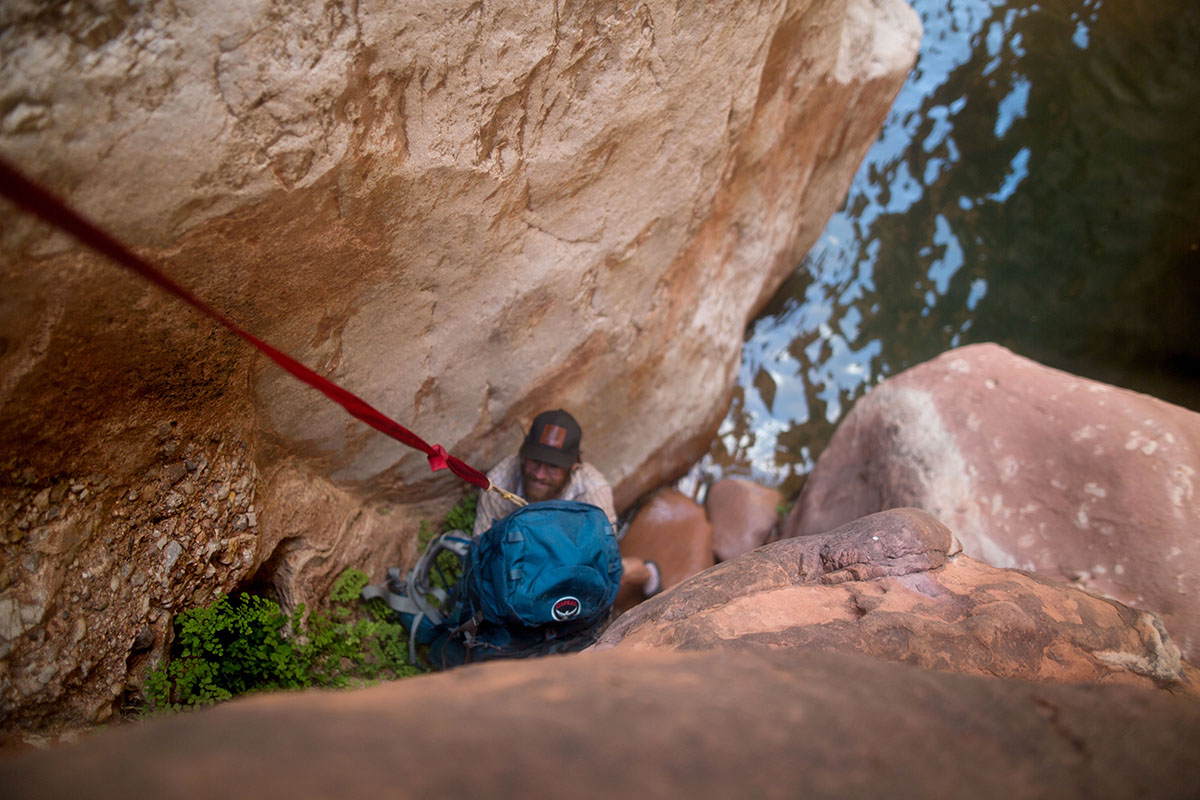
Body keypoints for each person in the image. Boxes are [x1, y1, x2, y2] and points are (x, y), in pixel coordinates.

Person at [474, 409, 661, 598]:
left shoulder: (592, 491)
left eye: (553, 466)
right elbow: (479, 548)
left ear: (573, 466)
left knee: (615, 570)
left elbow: (603, 555)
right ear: (523, 455)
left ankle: (648, 574)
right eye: (535, 460)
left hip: (573, 558)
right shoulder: (499, 483)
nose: (539, 474)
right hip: (519, 557)